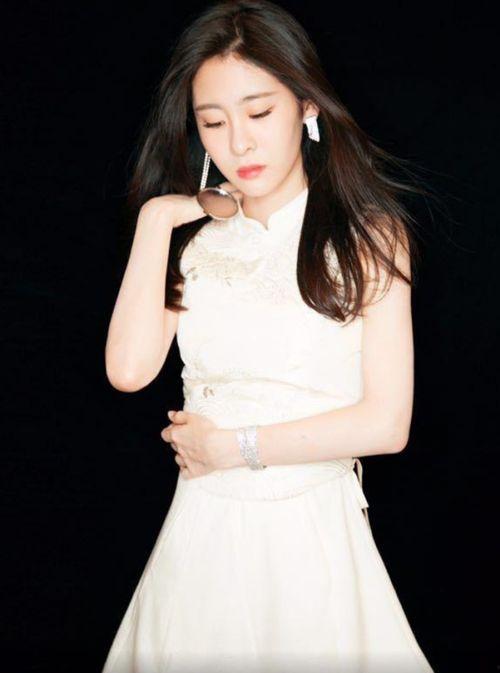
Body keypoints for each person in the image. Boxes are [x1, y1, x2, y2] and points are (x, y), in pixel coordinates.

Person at [101, 1, 434, 671]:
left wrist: (235, 447)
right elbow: (129, 370)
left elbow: (387, 424)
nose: (239, 143)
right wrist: (157, 220)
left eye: (258, 113)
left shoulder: (369, 236)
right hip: (203, 534)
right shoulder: (194, 241)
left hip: (312, 534)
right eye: (214, 122)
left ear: (306, 105)